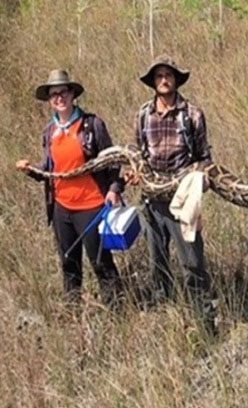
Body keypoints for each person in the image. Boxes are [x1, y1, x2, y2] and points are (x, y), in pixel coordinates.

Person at [15, 69, 124, 310]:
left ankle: (118, 310)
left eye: (63, 92)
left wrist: (114, 189)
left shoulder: (92, 125)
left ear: (72, 94)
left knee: (100, 262)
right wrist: (32, 170)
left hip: (92, 205)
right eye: (53, 94)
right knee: (68, 262)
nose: (58, 98)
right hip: (61, 208)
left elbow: (114, 160)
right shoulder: (49, 131)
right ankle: (72, 310)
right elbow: (51, 169)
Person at [131, 55, 217, 335]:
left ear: (176, 79)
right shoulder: (143, 115)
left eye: (168, 75)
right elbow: (138, 156)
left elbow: (205, 158)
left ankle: (205, 320)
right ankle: (164, 319)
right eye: (158, 76)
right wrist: (134, 175)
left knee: (192, 262)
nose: (164, 80)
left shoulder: (192, 114)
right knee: (157, 262)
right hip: (152, 201)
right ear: (153, 83)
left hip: (183, 200)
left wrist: (195, 177)